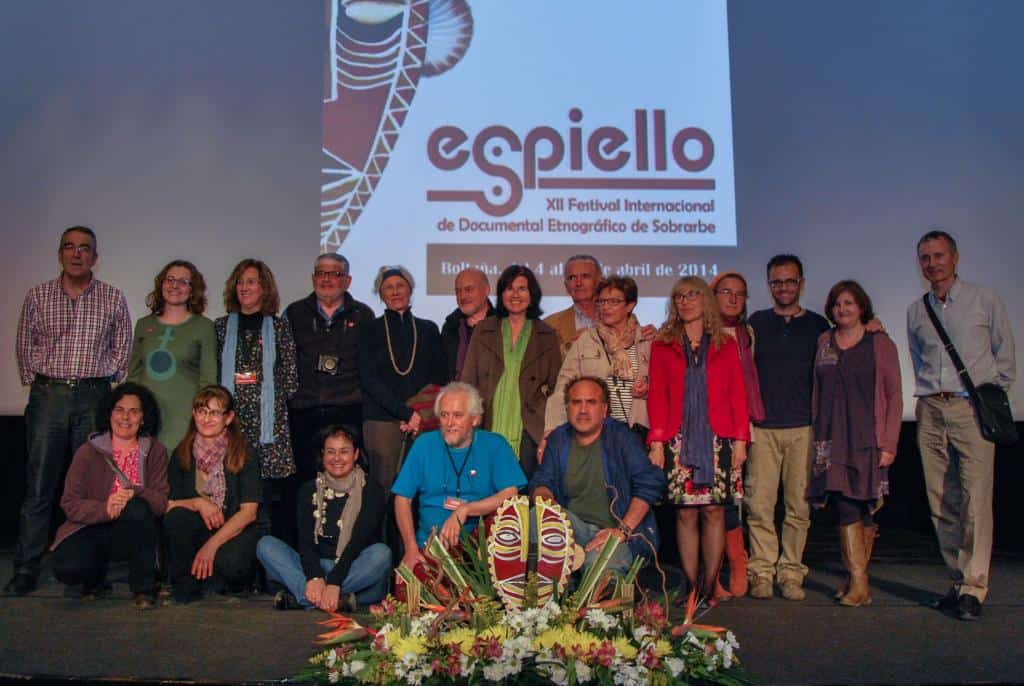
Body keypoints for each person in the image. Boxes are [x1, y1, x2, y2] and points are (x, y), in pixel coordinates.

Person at [7, 226, 132, 597]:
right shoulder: (38, 295)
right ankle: (26, 569)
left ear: (95, 257)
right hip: (50, 396)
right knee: (39, 487)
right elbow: (25, 345)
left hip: (93, 396)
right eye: (70, 247)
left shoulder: (112, 297)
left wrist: (100, 380)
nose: (77, 254)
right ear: (60, 254)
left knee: (91, 488)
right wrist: (43, 382)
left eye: (85, 249)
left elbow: (122, 349)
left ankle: (89, 572)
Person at [907, 230, 1015, 621]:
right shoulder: (916, 311)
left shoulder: (984, 299)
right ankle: (958, 582)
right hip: (930, 409)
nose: (932, 263)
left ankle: (974, 586)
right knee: (941, 501)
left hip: (970, 411)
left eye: (938, 255)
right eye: (925, 257)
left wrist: (988, 397)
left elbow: (1005, 354)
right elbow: (918, 360)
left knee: (975, 499)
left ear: (954, 257)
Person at [647, 277, 749, 602]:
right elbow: (657, 396)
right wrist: (656, 442)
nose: (686, 301)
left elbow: (737, 394)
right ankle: (691, 587)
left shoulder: (725, 344)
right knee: (685, 513)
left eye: (692, 295)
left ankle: (710, 584)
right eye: (680, 296)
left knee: (715, 511)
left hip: (719, 439)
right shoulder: (662, 345)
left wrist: (742, 441)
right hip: (678, 439)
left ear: (705, 300)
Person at [808, 280, 901, 607]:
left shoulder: (880, 343)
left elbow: (893, 395)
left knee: (863, 505)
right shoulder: (824, 341)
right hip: (831, 437)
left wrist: (889, 443)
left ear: (861, 307)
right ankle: (859, 581)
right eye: (837, 304)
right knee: (845, 503)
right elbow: (817, 390)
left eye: (848, 303)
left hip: (867, 437)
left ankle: (857, 581)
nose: (842, 309)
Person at [745, 254, 830, 601]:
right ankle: (762, 572)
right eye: (777, 282)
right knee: (759, 506)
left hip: (803, 428)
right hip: (763, 428)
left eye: (790, 281)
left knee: (799, 508)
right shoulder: (756, 323)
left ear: (801, 284)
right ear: (769, 285)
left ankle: (791, 572)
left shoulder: (818, 325)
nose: (783, 287)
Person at [50, 383, 168, 610]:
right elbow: (70, 503)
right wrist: (104, 507)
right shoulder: (87, 451)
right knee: (66, 567)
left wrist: (135, 491)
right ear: (109, 414)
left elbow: (160, 502)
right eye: (119, 410)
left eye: (134, 411)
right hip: (91, 527)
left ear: (143, 418)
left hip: (133, 529)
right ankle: (96, 580)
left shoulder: (156, 451)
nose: (126, 417)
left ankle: (144, 588)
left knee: (138, 508)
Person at [531, 376, 666, 576]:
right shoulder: (559, 438)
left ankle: (584, 584)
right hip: (573, 528)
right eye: (576, 402)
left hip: (616, 534)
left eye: (591, 402)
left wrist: (622, 531)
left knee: (596, 566)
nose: (583, 410)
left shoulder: (621, 437)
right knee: (536, 515)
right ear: (567, 408)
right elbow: (542, 481)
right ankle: (552, 588)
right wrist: (547, 505)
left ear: (604, 409)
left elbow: (650, 484)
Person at [284, 253, 374, 542]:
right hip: (304, 412)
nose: (326, 279)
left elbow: (370, 367)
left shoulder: (363, 315)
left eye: (334, 274)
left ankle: (343, 549)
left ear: (347, 280)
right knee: (303, 486)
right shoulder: (294, 313)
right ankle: (303, 550)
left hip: (347, 410)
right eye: (321, 273)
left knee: (349, 486)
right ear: (313, 278)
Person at [392, 382, 526, 571]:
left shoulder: (495, 445)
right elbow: (402, 498)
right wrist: (411, 548)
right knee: (406, 584)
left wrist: (466, 509)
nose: (449, 423)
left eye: (457, 415)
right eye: (444, 415)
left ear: (475, 419)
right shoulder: (424, 444)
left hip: (480, 553)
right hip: (429, 549)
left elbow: (510, 493)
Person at [257, 425, 391, 612]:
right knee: (266, 545)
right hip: (316, 567)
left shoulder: (371, 489)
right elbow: (305, 542)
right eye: (330, 452)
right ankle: (338, 601)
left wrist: (334, 582)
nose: (337, 458)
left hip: (353, 568)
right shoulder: (308, 489)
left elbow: (357, 542)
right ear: (323, 454)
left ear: (355, 454)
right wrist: (314, 577)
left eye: (344, 451)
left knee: (381, 554)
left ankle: (305, 598)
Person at [215, 259, 298, 540]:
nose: (244, 287)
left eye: (251, 282)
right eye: (240, 282)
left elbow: (290, 378)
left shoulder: (280, 327)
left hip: (269, 427)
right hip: (230, 423)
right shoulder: (220, 327)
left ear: (264, 288)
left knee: (266, 501)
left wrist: (266, 403)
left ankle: (265, 558)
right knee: (231, 493)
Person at [461, 265, 561, 478]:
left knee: (523, 491)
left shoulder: (547, 335)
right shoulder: (483, 330)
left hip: (530, 429)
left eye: (522, 289)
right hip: (486, 424)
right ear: (501, 294)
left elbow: (557, 388)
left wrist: (548, 431)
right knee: (486, 488)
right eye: (509, 288)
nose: (515, 294)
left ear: (532, 295)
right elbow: (468, 382)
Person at [164, 386, 262, 603]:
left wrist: (210, 547)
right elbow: (170, 504)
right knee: (176, 518)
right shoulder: (182, 453)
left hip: (233, 529)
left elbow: (249, 513)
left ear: (228, 418)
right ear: (194, 414)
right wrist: (198, 503)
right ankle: (185, 588)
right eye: (202, 411)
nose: (207, 418)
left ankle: (223, 581)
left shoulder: (244, 453)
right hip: (198, 527)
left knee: (231, 564)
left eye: (215, 412)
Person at [358, 265, 446, 490]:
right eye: (388, 287)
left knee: (423, 486)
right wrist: (405, 413)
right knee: (383, 489)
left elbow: (439, 377)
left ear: (410, 289)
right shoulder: (369, 330)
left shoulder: (428, 329)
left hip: (424, 419)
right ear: (381, 294)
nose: (395, 291)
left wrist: (419, 414)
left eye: (400, 286)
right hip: (382, 419)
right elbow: (369, 379)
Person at [708, 270, 764, 599]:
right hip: (702, 428)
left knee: (731, 499)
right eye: (726, 292)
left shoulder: (748, 334)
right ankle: (711, 572)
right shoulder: (696, 330)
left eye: (739, 294)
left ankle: (738, 563)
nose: (733, 298)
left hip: (737, 426)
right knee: (705, 502)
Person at [127, 259, 217, 452]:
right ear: (161, 284)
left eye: (183, 282)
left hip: (184, 419)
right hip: (145, 417)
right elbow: (133, 376)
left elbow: (208, 381)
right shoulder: (143, 325)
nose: (175, 285)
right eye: (170, 279)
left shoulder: (204, 327)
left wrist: (202, 419)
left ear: (193, 290)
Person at [545, 276, 651, 435]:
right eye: (602, 301)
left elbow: (664, 389)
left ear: (630, 305)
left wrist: (648, 388)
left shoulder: (647, 340)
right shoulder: (586, 340)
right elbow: (563, 388)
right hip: (596, 433)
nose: (606, 307)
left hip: (639, 431)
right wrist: (552, 430)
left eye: (613, 302)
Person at [441, 268, 495, 381]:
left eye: (469, 289)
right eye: (458, 291)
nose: (462, 296)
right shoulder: (450, 327)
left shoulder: (503, 325)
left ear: (487, 290)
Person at [544, 255, 603, 353]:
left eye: (585, 276)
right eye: (572, 278)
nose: (578, 283)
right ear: (566, 286)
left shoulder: (619, 319)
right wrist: (571, 348)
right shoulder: (550, 325)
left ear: (599, 281)